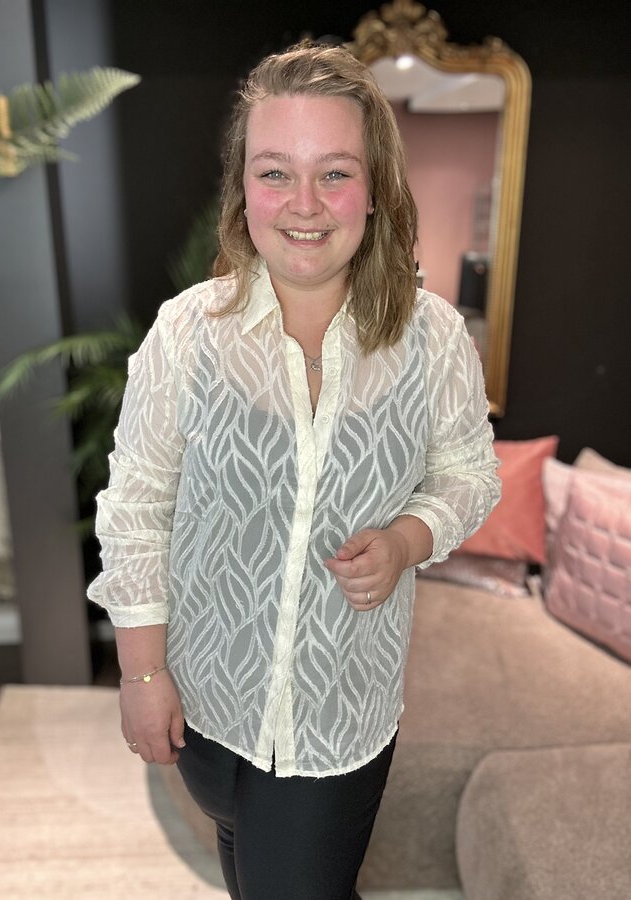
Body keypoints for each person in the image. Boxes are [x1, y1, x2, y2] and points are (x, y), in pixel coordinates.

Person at [88, 41, 500, 900]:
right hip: (206, 699)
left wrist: (408, 537)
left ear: (375, 188)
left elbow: (470, 471)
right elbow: (136, 508)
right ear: (243, 189)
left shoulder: (432, 338)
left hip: (337, 713)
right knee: (248, 863)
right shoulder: (187, 334)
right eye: (275, 172)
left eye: (334, 173)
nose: (303, 204)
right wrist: (142, 674)